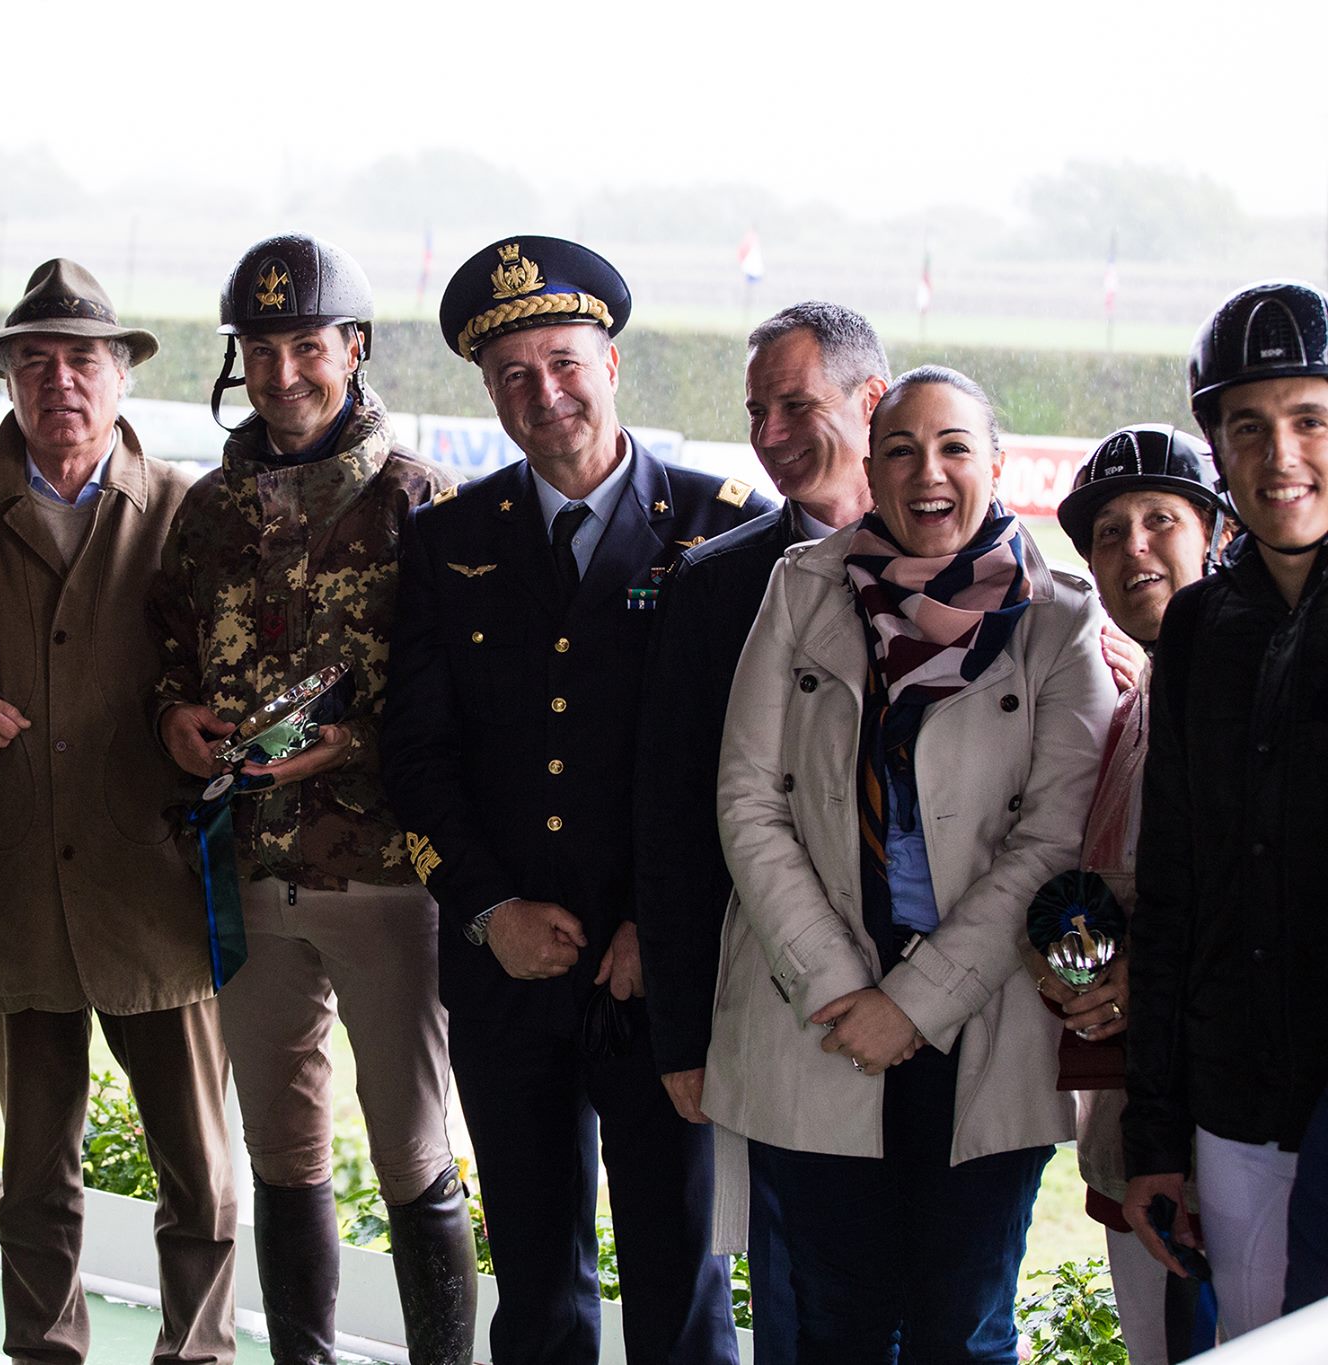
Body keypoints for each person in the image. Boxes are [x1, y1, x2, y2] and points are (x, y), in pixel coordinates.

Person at [384, 235, 767, 1365]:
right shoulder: (446, 541)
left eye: (561, 361)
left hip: (665, 979)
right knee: (538, 1298)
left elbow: (745, 761)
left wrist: (666, 923)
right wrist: (487, 907)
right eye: (511, 374)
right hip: (508, 976)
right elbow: (416, 756)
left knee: (679, 1293)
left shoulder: (723, 527)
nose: (541, 393)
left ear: (610, 364)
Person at [708, 364, 1113, 1362]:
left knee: (958, 1329)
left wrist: (916, 1004)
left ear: (995, 466)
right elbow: (748, 800)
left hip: (988, 1021)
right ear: (870, 465)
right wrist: (846, 990)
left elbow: (1056, 840)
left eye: (951, 448)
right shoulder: (800, 588)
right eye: (898, 448)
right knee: (832, 1327)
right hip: (819, 1015)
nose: (924, 472)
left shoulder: (1061, 619)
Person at [151, 232, 476, 1365]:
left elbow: (469, 705)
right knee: (280, 1154)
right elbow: (169, 660)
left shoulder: (424, 505)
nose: (281, 372)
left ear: (353, 348)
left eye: (305, 345)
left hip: (385, 878)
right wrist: (172, 722)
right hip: (247, 875)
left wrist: (351, 742)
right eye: (258, 347)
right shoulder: (206, 513)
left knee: (410, 1152)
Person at [0, 258, 236, 1365]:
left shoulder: (194, 513)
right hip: (13, 886)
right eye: (35, 360)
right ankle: (41, 1353)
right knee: (32, 1180)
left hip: (154, 887)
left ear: (121, 375)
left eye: (83, 358)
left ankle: (194, 1352)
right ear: (6, 378)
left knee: (198, 1173)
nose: (61, 380)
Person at [634, 301, 889, 1364]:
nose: (772, 432)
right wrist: (681, 1033)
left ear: (870, 402)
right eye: (755, 411)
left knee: (952, 1308)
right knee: (799, 1308)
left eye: (798, 403)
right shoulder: (716, 584)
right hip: (785, 1009)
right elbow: (677, 827)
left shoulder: (993, 573)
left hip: (955, 1008)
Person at [1123, 279, 1328, 1339]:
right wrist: (1153, 1130)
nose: (1279, 456)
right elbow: (1169, 891)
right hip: (1230, 1099)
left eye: (1308, 420)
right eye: (1247, 427)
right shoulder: (1196, 628)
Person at [1036, 424, 1227, 1362]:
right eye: (1108, 531)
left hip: (1226, 1122)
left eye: (1161, 520)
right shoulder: (1141, 690)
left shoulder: (1253, 695)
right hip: (1133, 1112)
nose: (1133, 547)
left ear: (1216, 535)